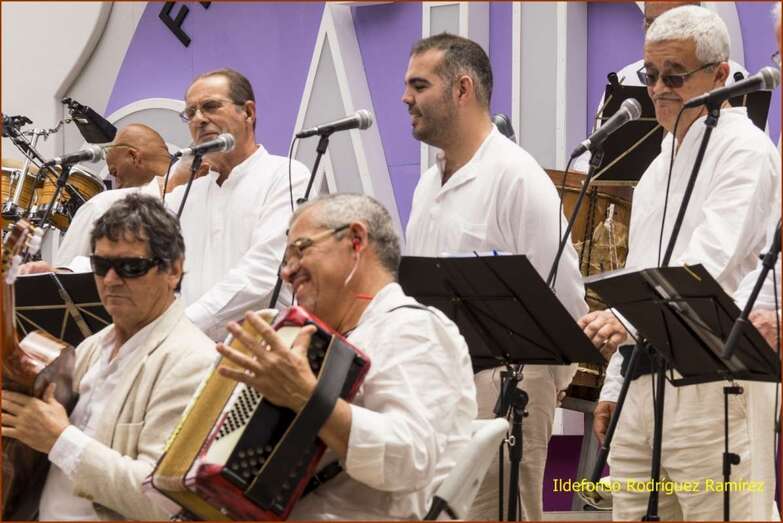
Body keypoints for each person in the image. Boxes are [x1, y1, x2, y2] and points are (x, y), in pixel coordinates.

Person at [579, 6, 779, 520]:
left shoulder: (745, 149)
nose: (658, 89)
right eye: (650, 75)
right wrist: (617, 385)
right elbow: (640, 270)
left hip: (716, 384)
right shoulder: (658, 166)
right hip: (644, 382)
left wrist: (623, 319)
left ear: (720, 74)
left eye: (674, 75)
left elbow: (710, 262)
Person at [401, 33, 588, 520]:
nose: (405, 98)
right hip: (436, 390)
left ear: (462, 89)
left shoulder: (516, 175)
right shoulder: (427, 184)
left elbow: (564, 292)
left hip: (505, 388)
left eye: (419, 86)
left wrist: (547, 385)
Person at [215, 193, 477, 519]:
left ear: (356, 240)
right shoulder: (331, 341)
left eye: (300, 250)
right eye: (285, 260)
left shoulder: (414, 328)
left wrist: (307, 398)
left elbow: (409, 458)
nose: (286, 272)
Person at [1, 194, 216, 520]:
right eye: (101, 266)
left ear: (173, 270)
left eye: (131, 267)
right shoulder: (91, 348)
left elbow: (162, 500)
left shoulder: (193, 361)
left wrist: (60, 440)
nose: (111, 280)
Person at [165, 68, 310, 340]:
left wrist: (182, 328)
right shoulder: (186, 193)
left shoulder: (287, 175)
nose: (199, 119)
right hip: (188, 349)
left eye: (210, 106)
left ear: (249, 112)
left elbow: (263, 271)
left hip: (260, 349)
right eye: (190, 113)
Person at [573, 1, 749, 173]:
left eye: (672, 23)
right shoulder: (624, 79)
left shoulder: (734, 79)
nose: (658, 89)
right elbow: (590, 159)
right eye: (651, 23)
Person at [19, 124, 171, 273]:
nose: (117, 184)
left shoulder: (105, 205)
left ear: (133, 156)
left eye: (115, 173)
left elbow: (64, 284)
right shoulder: (185, 196)